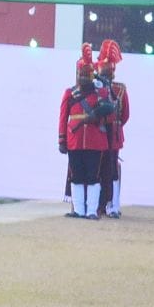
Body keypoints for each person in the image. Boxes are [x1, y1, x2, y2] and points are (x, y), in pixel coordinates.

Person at [58, 46, 114, 220]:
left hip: (94, 140)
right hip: (74, 139)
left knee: (93, 176)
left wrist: (96, 115)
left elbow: (110, 113)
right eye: (80, 74)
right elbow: (63, 117)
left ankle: (91, 210)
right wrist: (62, 139)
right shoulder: (70, 92)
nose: (82, 78)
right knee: (76, 175)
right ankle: (78, 209)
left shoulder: (101, 92)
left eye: (85, 75)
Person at [95, 42, 131, 218]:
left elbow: (125, 115)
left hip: (114, 134)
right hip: (97, 132)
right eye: (104, 69)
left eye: (109, 69)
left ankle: (113, 205)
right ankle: (98, 204)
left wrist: (114, 126)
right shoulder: (94, 87)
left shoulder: (120, 89)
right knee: (97, 169)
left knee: (112, 172)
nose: (106, 72)